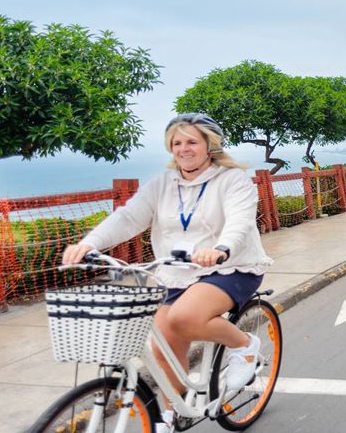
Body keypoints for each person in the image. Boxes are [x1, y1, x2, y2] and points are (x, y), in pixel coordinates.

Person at [61, 113, 272, 432]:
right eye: (177, 142)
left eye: (191, 141)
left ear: (209, 146)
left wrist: (221, 248)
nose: (183, 149)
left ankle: (244, 346)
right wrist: (90, 243)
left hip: (229, 267)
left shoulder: (232, 180)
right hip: (175, 273)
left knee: (183, 318)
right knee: (162, 349)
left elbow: (239, 221)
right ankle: (174, 411)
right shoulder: (162, 185)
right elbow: (128, 218)